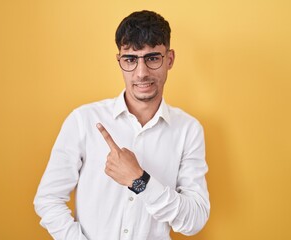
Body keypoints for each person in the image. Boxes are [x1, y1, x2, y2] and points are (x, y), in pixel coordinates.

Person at [34, 10, 210, 240]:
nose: (141, 73)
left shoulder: (189, 130)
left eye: (152, 58)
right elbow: (48, 200)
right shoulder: (83, 120)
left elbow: (194, 220)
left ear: (169, 59)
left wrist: (140, 181)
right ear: (119, 61)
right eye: (130, 59)